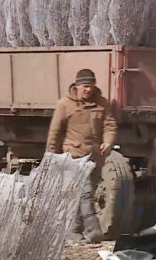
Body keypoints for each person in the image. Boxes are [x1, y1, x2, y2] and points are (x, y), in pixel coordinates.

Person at [46, 69, 117, 243]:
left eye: (91, 86)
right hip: (73, 155)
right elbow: (55, 132)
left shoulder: (102, 103)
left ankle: (73, 231)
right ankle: (93, 230)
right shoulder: (65, 104)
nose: (88, 90)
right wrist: (50, 155)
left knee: (84, 192)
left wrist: (108, 141)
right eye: (85, 86)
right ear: (77, 86)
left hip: (94, 156)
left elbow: (110, 125)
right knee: (84, 192)